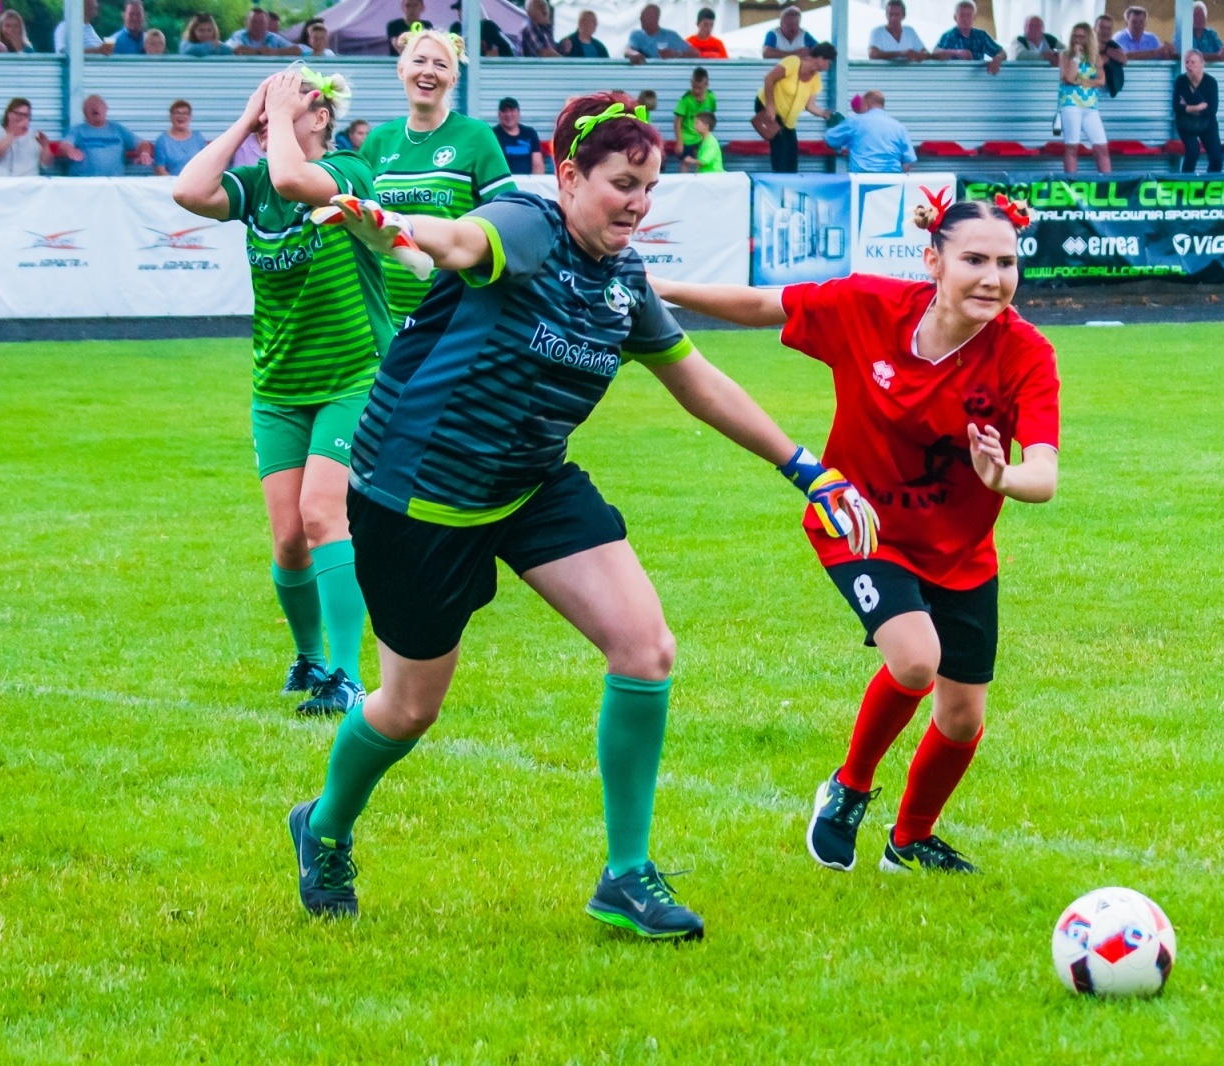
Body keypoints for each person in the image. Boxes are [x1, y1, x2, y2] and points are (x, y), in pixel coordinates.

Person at [287, 90, 880, 934]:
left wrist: (806, 470)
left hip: (531, 483)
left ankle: (627, 875)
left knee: (645, 648)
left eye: (648, 186)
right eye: (621, 184)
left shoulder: (620, 280)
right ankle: (326, 825)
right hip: (417, 496)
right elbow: (462, 240)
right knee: (408, 706)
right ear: (568, 177)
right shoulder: (527, 226)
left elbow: (696, 382)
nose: (637, 203)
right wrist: (396, 226)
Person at [651, 196, 1059, 879]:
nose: (994, 277)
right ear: (933, 262)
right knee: (915, 659)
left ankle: (911, 840)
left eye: (1007, 263)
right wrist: (656, 287)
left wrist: (1004, 476)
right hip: (859, 520)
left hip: (960, 550)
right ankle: (849, 789)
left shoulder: (1024, 352)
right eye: (976, 260)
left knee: (960, 718)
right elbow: (761, 305)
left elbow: (1042, 473)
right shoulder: (867, 307)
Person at [174, 69, 391, 717]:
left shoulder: (348, 171)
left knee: (325, 515)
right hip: (278, 387)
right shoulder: (255, 186)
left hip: (353, 375)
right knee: (289, 538)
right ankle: (310, 660)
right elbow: (188, 190)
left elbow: (298, 179)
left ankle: (348, 677)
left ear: (320, 116)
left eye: (284, 111)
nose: (270, 122)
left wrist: (275, 120)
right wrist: (248, 118)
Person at [362, 27, 514, 323]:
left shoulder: (476, 137)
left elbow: (508, 220)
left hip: (454, 315)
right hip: (385, 318)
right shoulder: (378, 141)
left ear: (453, 79)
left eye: (440, 65)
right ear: (401, 69)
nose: (428, 72)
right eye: (419, 61)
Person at [757, 42, 836, 173]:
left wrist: (824, 114)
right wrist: (770, 106)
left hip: (788, 121)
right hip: (766, 106)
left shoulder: (816, 79)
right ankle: (779, 185)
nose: (829, 66)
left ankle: (791, 185)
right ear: (821, 58)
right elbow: (768, 79)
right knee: (780, 148)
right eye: (829, 62)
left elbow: (810, 106)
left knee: (792, 152)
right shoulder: (793, 62)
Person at [1056, 23, 1110, 175]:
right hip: (1071, 104)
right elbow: (1068, 77)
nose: (1077, 39)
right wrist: (1077, 56)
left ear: (1089, 38)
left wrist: (1080, 82)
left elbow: (1101, 80)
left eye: (1081, 36)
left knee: (1101, 147)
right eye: (1075, 35)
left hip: (1091, 106)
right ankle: (1071, 184)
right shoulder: (1065, 55)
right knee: (1072, 146)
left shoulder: (1095, 57)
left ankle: (1107, 184)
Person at [824, 89, 915, 174]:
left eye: (862, 104)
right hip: (892, 181)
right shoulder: (899, 127)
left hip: (862, 180)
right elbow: (909, 160)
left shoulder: (855, 122)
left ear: (868, 103)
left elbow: (830, 138)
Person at [58, 95, 151, 176]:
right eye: (90, 106)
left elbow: (143, 144)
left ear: (106, 108)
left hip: (112, 185)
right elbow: (65, 145)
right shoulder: (77, 130)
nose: (94, 107)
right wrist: (70, 150)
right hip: (84, 184)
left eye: (98, 104)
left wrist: (144, 153)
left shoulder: (118, 129)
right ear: (84, 112)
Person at [1174, 49, 1221, 174]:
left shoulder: (1211, 82)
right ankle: (1185, 185)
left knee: (1217, 157)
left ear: (1202, 64)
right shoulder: (1181, 81)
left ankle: (1210, 186)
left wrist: (1187, 108)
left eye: (1193, 62)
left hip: (1207, 123)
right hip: (1185, 124)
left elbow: (1212, 109)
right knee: (1193, 152)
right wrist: (1197, 107)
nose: (1189, 66)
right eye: (1187, 62)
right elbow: (1176, 107)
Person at [936, 1, 1005, 73]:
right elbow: (935, 55)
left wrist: (998, 58)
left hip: (977, 79)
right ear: (955, 17)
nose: (965, 18)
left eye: (969, 15)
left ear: (974, 17)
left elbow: (1002, 52)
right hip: (954, 78)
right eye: (962, 15)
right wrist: (957, 52)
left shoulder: (981, 36)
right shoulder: (948, 36)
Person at [0, 98, 50, 177]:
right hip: (1, 183)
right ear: (8, 114)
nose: (21, 118)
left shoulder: (35, 135)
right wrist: (12, 133)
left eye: (26, 115)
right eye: (18, 114)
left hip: (28, 183)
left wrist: (45, 146)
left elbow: (46, 165)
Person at [673, 67, 716, 166]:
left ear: (706, 85)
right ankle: (683, 181)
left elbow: (711, 118)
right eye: (694, 87)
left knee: (702, 161)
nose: (696, 91)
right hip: (687, 138)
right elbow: (677, 122)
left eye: (699, 88)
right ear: (691, 82)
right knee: (685, 163)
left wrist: (708, 135)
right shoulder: (685, 100)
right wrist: (679, 141)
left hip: (702, 137)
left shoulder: (712, 98)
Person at [154, 100, 208, 176]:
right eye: (177, 113)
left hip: (197, 183)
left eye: (185, 113)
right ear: (170, 117)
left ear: (190, 117)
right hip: (172, 185)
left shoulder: (198, 138)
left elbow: (207, 165)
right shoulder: (162, 141)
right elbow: (160, 171)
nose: (181, 116)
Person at [627, 4, 695, 62]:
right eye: (641, 17)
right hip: (643, 74)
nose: (641, 19)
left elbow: (695, 53)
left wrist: (676, 54)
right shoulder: (636, 35)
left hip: (666, 74)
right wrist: (634, 54)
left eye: (645, 16)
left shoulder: (670, 36)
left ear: (656, 18)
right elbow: (628, 50)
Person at [494, 96, 544, 175]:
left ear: (518, 113)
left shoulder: (530, 133)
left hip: (527, 181)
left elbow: (537, 164)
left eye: (512, 110)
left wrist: (536, 182)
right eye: (504, 111)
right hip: (504, 182)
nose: (508, 114)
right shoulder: (493, 134)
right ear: (499, 114)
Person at [229, 7, 299, 55]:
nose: (257, 25)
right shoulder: (240, 35)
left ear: (267, 24)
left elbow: (297, 50)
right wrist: (260, 51)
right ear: (247, 23)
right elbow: (235, 48)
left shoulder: (273, 37)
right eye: (254, 21)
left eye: (261, 22)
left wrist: (274, 51)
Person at [1095, 14, 1126, 96]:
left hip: (1105, 92)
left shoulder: (1112, 45)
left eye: (1108, 28)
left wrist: (1105, 49)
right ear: (1094, 28)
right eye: (1102, 27)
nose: (1105, 31)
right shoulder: (1086, 43)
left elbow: (1123, 60)